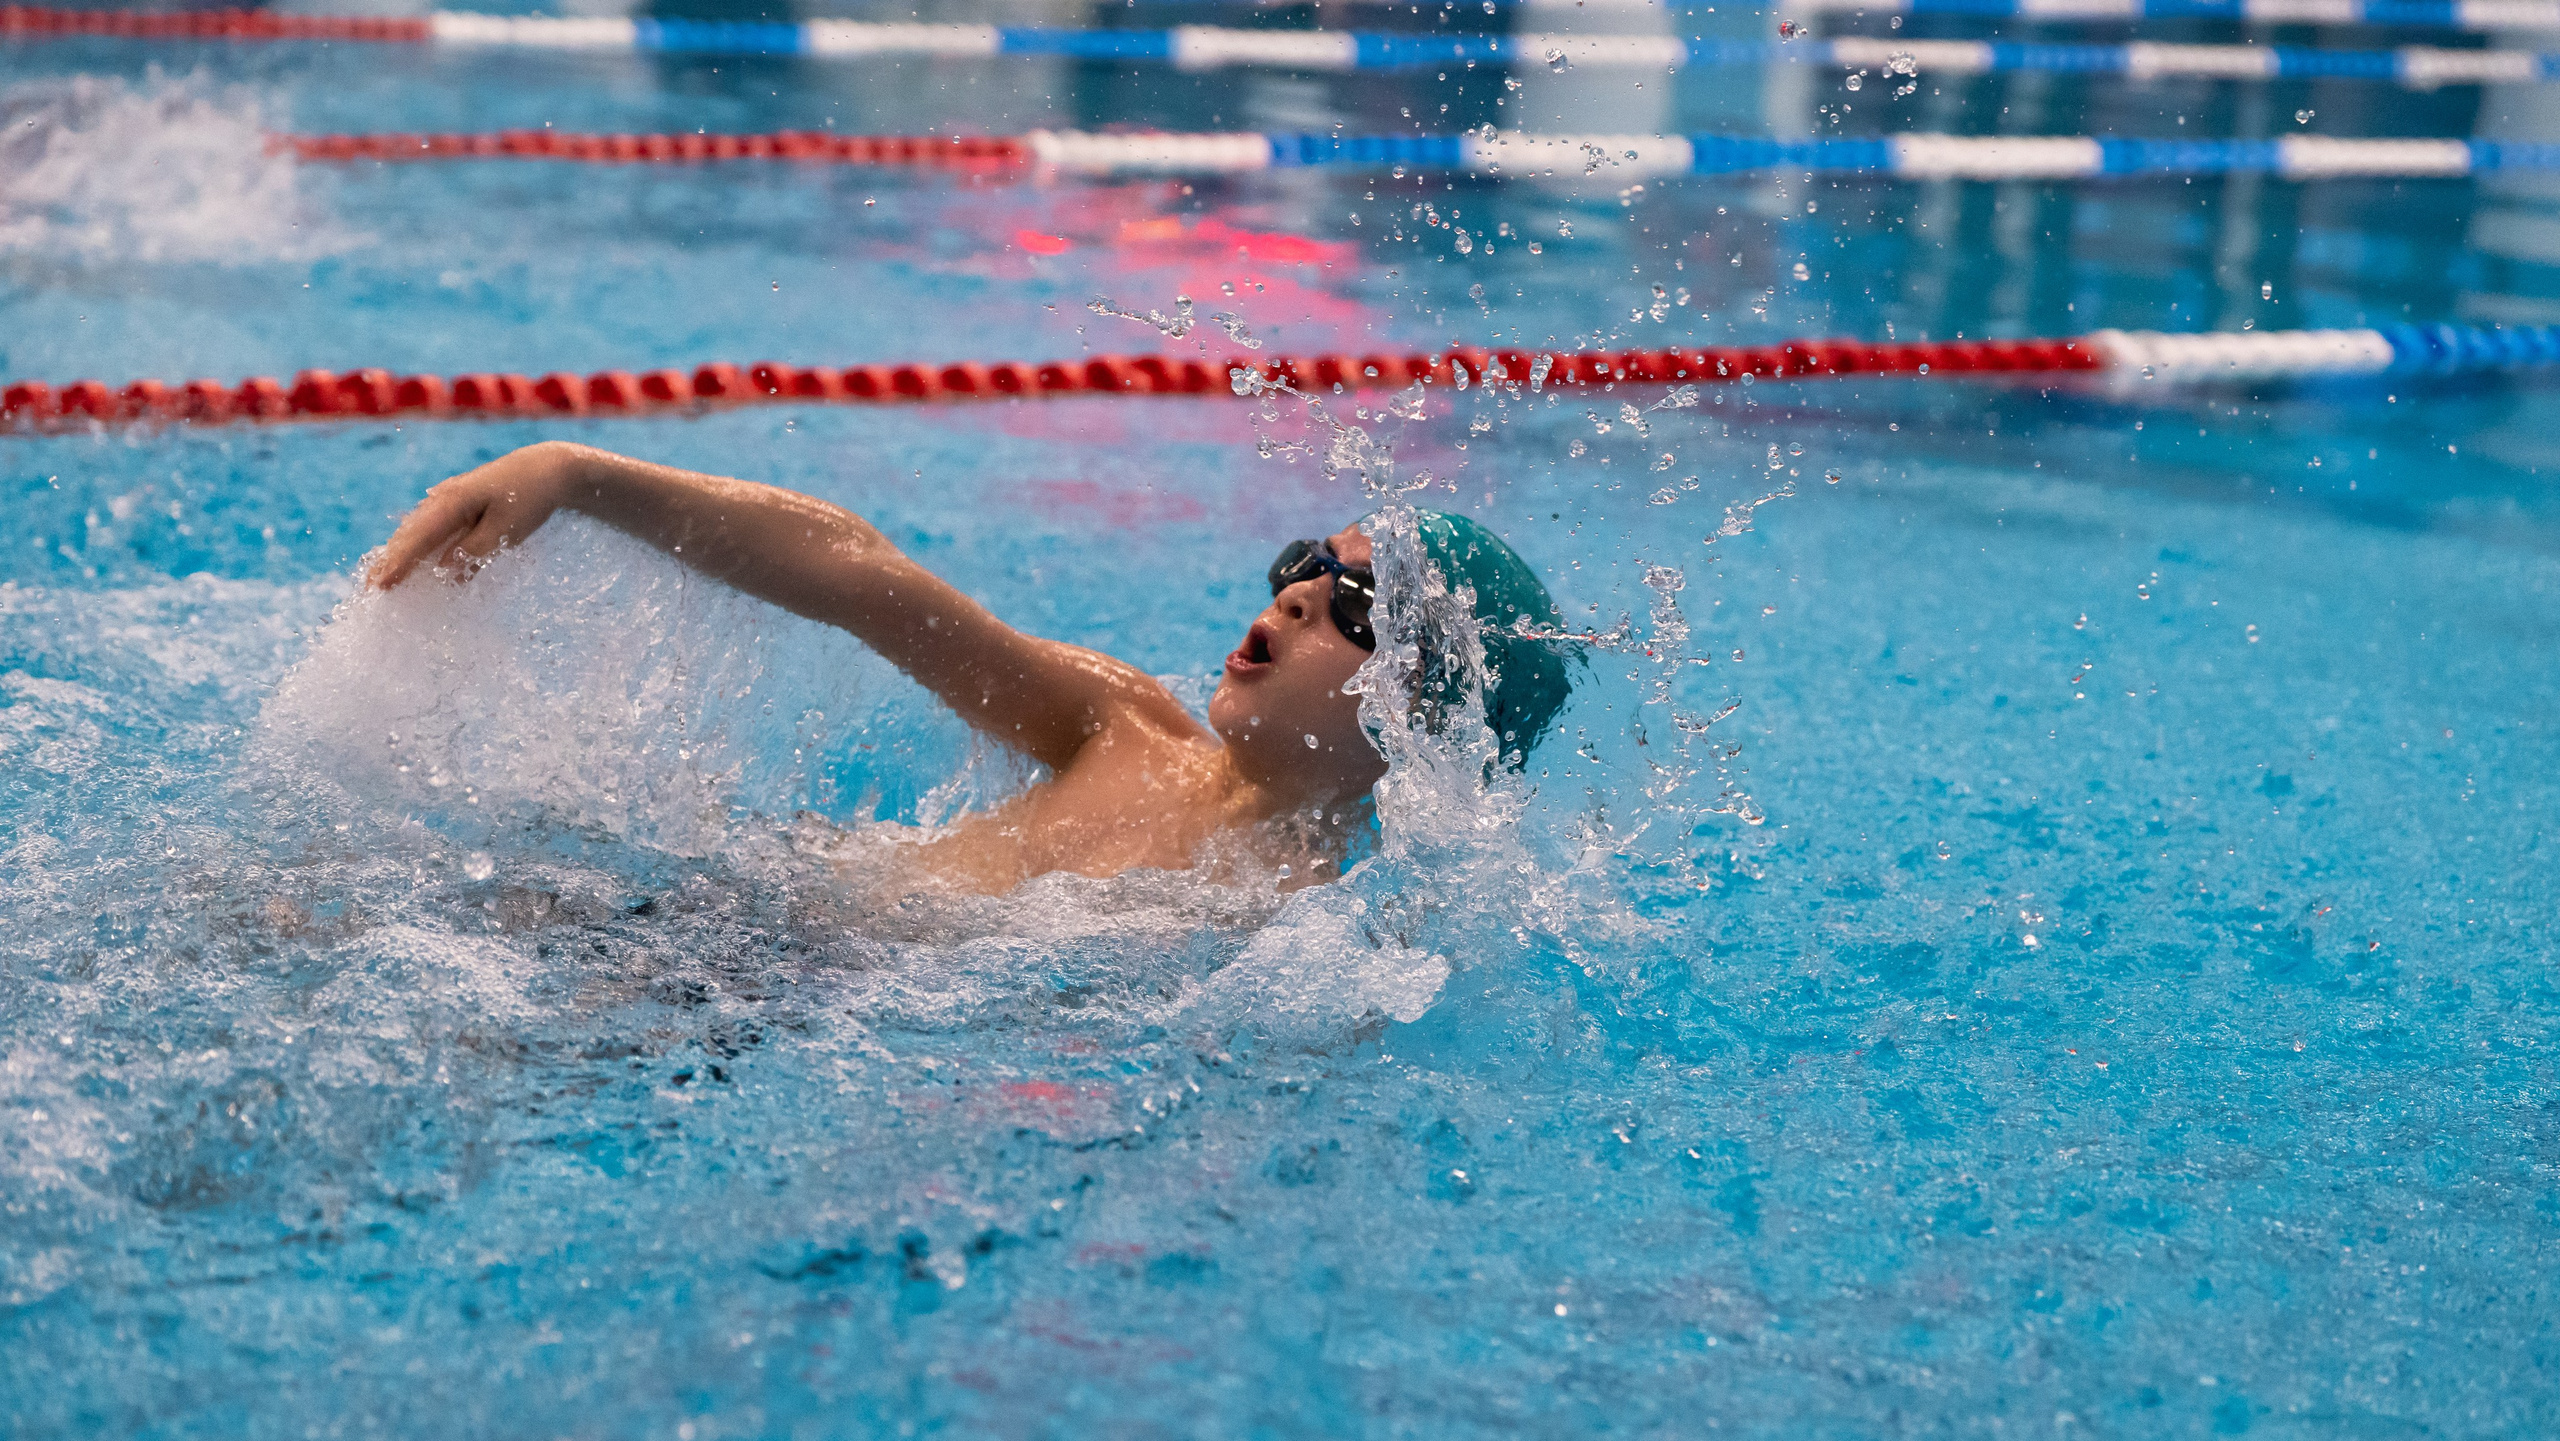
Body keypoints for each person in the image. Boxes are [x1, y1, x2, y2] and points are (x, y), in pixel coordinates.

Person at [366, 440, 1569, 891]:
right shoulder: (1121, 725)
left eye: (1355, 600)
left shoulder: (1318, 935)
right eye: (1306, 560)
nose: (1297, 589)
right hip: (721, 923)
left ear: (1423, 710)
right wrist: (583, 478)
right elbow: (863, 578)